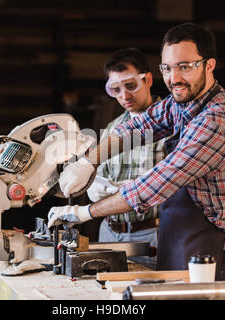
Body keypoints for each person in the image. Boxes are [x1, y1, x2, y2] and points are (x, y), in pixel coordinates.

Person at [48, 23, 225, 280]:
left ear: (209, 65)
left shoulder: (215, 120)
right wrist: (88, 162)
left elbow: (157, 183)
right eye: (167, 68)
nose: (174, 79)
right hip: (178, 234)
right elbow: (140, 126)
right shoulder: (182, 103)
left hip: (207, 244)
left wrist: (84, 212)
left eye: (185, 66)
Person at [87, 48, 166, 269]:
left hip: (151, 234)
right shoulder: (112, 129)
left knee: (149, 294)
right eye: (116, 89)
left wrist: (135, 191)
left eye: (131, 86)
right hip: (109, 232)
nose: (124, 95)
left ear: (147, 79)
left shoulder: (171, 125)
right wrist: (94, 187)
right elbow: (99, 175)